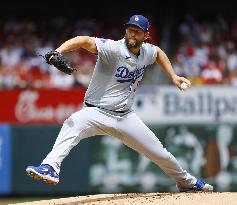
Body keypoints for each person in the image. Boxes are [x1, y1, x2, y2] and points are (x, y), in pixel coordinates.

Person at [26, 15, 213, 192]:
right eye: (130, 29)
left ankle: (186, 182)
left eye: (137, 31)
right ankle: (50, 167)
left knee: (159, 153)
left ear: (146, 35)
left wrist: (173, 76)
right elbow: (84, 40)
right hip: (96, 112)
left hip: (125, 117)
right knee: (72, 123)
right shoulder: (113, 49)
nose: (132, 33)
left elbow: (158, 53)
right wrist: (58, 52)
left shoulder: (147, 51)